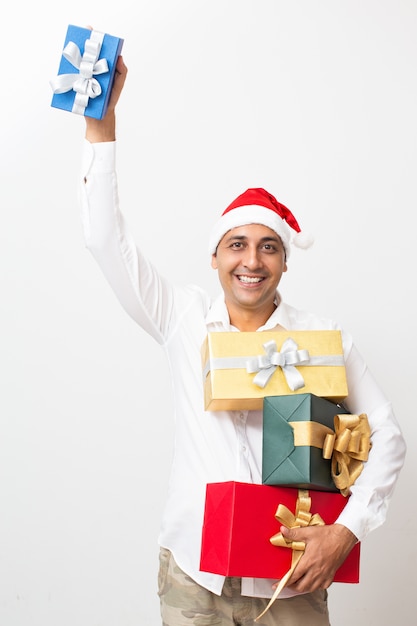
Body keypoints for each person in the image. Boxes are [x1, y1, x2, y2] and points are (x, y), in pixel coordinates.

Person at [79, 55, 406, 625]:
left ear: (283, 262)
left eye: (268, 246)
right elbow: (106, 242)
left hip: (291, 576)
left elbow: (389, 437)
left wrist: (346, 531)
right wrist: (101, 130)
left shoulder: (323, 339)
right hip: (192, 576)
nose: (251, 260)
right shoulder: (182, 319)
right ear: (214, 256)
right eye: (236, 244)